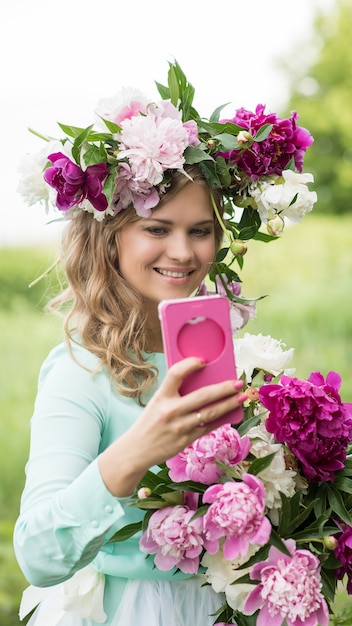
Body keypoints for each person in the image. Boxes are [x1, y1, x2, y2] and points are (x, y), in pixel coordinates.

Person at [14, 62, 317, 626]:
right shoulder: (83, 371)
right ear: (110, 237)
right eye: (157, 228)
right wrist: (141, 448)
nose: (182, 252)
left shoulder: (234, 355)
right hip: (135, 608)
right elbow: (37, 553)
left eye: (200, 230)